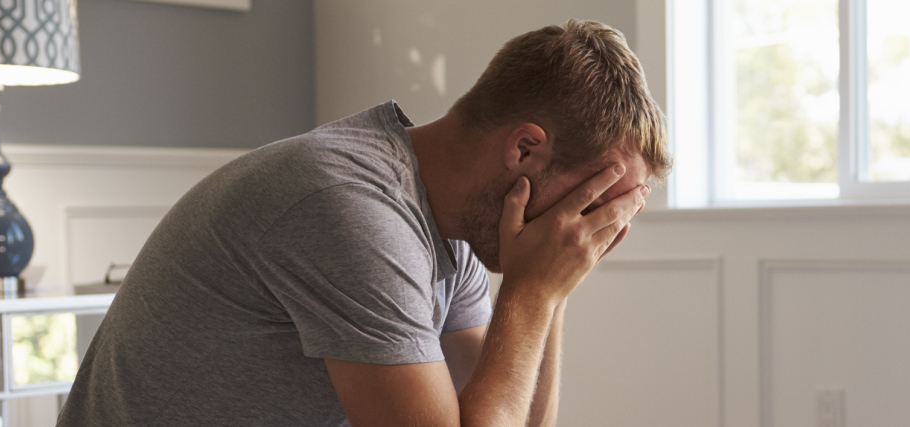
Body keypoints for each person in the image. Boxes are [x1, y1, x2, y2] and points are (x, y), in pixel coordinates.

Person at [56, 19, 668, 426]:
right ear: (525, 150)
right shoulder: (347, 207)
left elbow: (511, 415)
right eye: (591, 199)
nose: (589, 228)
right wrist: (536, 289)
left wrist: (552, 286)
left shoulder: (449, 225)